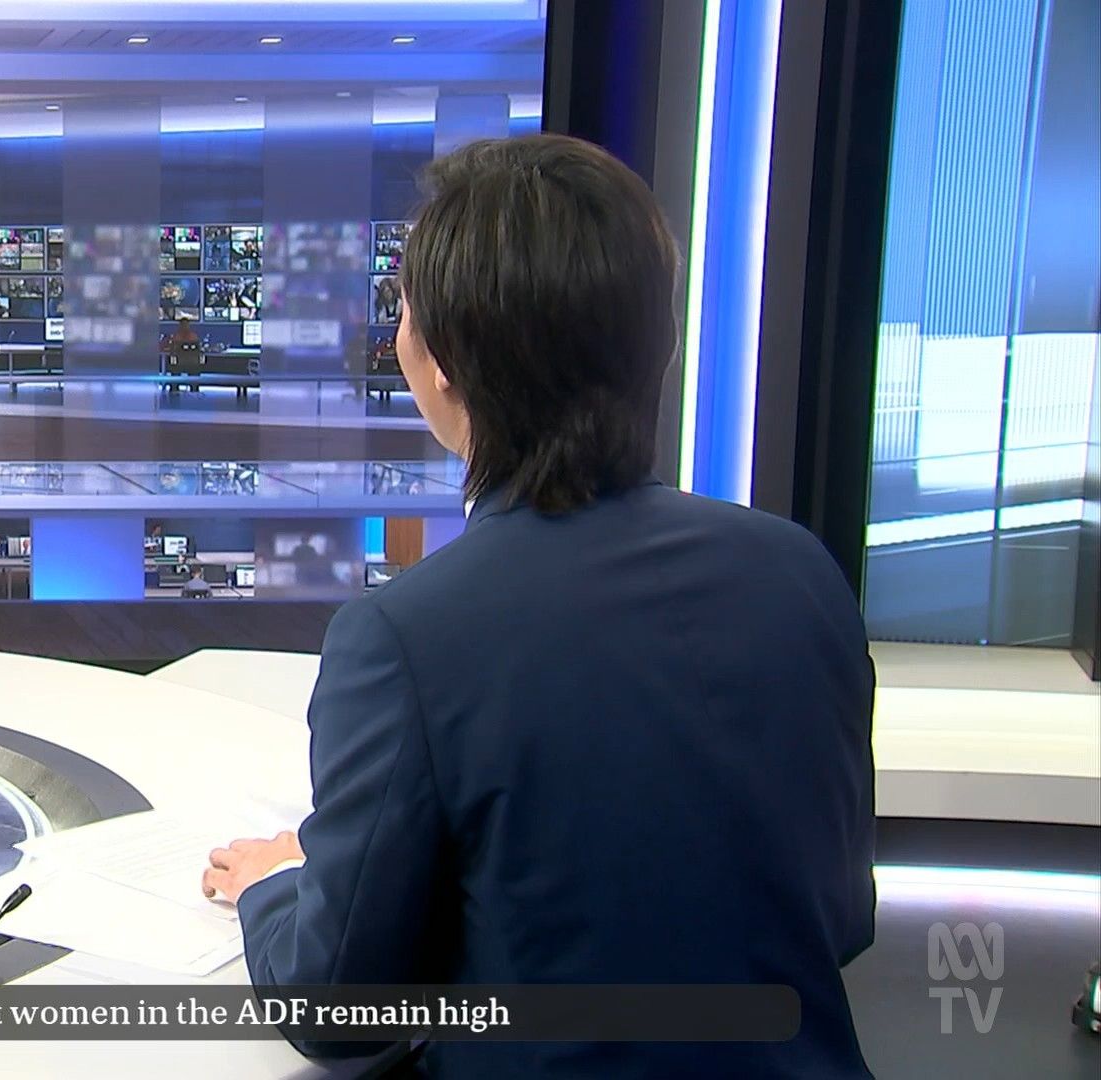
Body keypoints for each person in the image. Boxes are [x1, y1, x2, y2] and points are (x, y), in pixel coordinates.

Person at [201, 134, 876, 1077]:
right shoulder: (800, 573)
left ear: (442, 362)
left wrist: (277, 885)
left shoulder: (406, 638)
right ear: (659, 343)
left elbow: (334, 1006)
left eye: (403, 311)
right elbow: (840, 919)